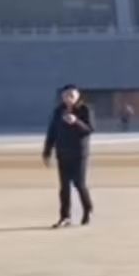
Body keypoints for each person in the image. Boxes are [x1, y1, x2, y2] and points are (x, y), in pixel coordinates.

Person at [41, 84, 95, 228]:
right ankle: (65, 217)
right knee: (64, 187)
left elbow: (89, 129)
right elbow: (52, 132)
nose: (68, 98)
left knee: (79, 184)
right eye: (66, 95)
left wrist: (76, 122)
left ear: (77, 96)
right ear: (62, 97)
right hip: (62, 153)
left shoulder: (84, 109)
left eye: (72, 95)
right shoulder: (58, 111)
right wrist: (47, 152)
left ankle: (88, 210)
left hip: (79, 154)